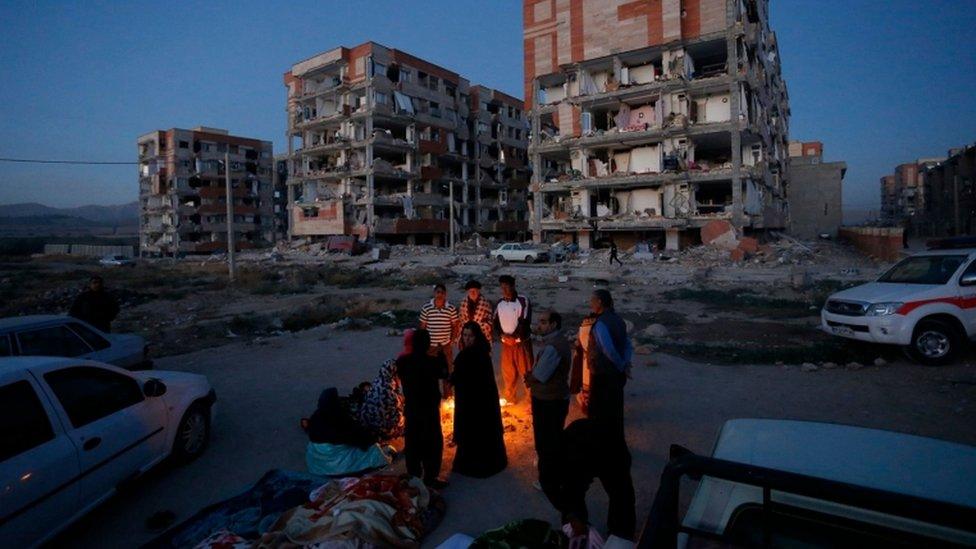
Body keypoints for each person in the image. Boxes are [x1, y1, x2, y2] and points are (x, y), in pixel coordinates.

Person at [558, 418, 636, 542]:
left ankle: (620, 535)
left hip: (611, 451)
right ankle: (576, 531)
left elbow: (622, 494)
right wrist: (573, 516)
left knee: (622, 495)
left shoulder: (617, 456)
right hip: (578, 449)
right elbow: (570, 490)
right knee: (572, 496)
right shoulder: (570, 459)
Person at [526, 310, 571, 507]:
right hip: (554, 397)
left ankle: (548, 481)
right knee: (553, 439)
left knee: (546, 442)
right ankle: (556, 475)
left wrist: (529, 378)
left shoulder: (554, 346)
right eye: (539, 322)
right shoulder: (557, 342)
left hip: (548, 399)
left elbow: (541, 375)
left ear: (553, 324)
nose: (539, 326)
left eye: (543, 322)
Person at [450, 321, 507, 478]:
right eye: (465, 335)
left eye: (470, 336)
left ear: (477, 337)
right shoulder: (482, 352)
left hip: (473, 402)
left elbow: (457, 378)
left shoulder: (469, 355)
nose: (467, 339)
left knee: (474, 431)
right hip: (481, 400)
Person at [396, 329, 448, 489]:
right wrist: (441, 355)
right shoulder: (431, 362)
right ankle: (431, 477)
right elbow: (444, 373)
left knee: (413, 442)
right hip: (429, 409)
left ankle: (414, 476)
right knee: (432, 443)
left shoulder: (402, 362)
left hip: (411, 409)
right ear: (427, 344)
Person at [304, 387, 391, 477]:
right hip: (335, 465)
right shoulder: (338, 418)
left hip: (315, 464)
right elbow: (355, 437)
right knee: (372, 449)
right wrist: (371, 439)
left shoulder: (316, 416)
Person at [586, 289, 633, 438]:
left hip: (603, 374)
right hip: (616, 375)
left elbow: (609, 350)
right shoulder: (619, 320)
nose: (590, 304)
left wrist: (620, 366)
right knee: (615, 410)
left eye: (592, 300)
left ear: (600, 302)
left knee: (598, 411)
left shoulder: (601, 324)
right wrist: (625, 364)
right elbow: (627, 345)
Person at [358, 330, 410, 440]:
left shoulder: (377, 383)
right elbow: (396, 415)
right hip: (382, 429)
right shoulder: (390, 392)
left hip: (368, 424)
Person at [493, 275, 533, 405]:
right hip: (506, 345)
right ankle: (510, 397)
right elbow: (495, 323)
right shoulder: (500, 303)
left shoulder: (522, 301)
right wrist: (502, 337)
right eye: (502, 287)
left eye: (507, 286)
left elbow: (524, 321)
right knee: (508, 372)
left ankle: (532, 399)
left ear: (513, 286)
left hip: (521, 343)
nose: (504, 289)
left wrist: (514, 337)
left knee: (526, 371)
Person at [419, 284, 460, 398]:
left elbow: (455, 325)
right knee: (431, 372)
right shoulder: (427, 308)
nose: (440, 295)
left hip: (445, 345)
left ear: (445, 294)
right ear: (434, 293)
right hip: (431, 346)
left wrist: (452, 340)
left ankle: (448, 397)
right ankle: (432, 397)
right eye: (438, 292)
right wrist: (422, 344)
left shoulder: (450, 308)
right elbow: (422, 326)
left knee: (447, 372)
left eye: (442, 292)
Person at [570, 313, 599, 414]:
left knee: (587, 384)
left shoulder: (584, 327)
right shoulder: (597, 327)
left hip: (586, 359)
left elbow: (578, 344)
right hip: (593, 359)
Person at [459, 280, 494, 344]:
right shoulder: (463, 302)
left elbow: (490, 320)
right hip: (467, 335)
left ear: (478, 291)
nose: (472, 293)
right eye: (470, 291)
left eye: (474, 291)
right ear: (467, 292)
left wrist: (478, 328)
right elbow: (461, 319)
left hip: (482, 334)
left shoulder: (485, 303)